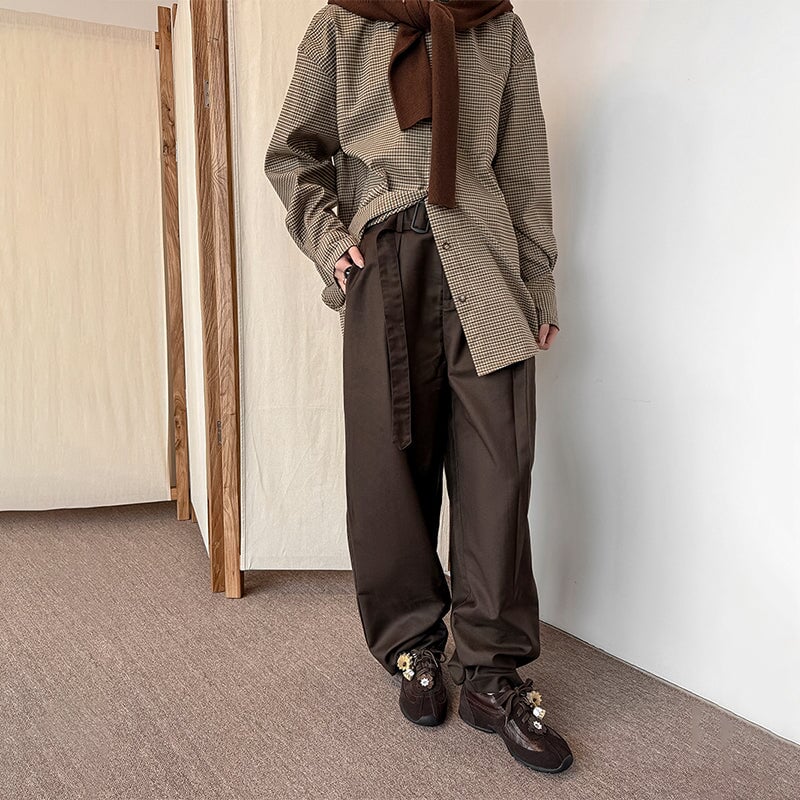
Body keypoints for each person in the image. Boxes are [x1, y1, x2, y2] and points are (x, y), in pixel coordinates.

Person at [264, 0, 572, 774]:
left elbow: (524, 166)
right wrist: (331, 241)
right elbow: (294, 152)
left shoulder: (496, 24)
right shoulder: (341, 24)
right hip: (385, 258)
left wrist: (538, 285)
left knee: (499, 466)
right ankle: (413, 646)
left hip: (485, 260)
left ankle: (492, 672)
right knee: (388, 467)